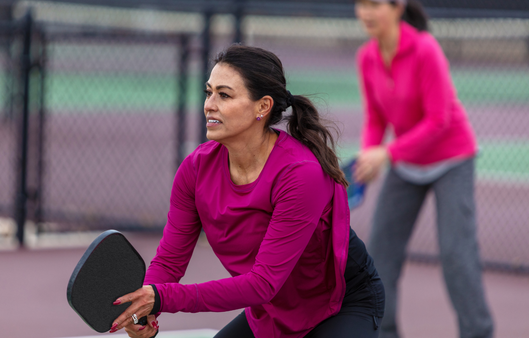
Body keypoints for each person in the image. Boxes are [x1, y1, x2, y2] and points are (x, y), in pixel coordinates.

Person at [107, 45, 384, 338]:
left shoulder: (300, 174)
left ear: (262, 107)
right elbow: (170, 260)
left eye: (224, 95)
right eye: (208, 92)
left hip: (340, 304)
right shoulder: (195, 169)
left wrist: (162, 297)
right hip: (271, 307)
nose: (209, 105)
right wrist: (145, 308)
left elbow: (263, 283)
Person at [352, 1, 494, 338]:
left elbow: (438, 120)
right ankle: (382, 333)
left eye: (375, 4)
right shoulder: (366, 57)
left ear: (398, 7)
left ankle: (479, 333)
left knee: (456, 255)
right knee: (380, 254)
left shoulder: (425, 49)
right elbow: (376, 117)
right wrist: (369, 153)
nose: (366, 12)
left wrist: (385, 154)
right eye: (361, 4)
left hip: (452, 159)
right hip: (406, 161)